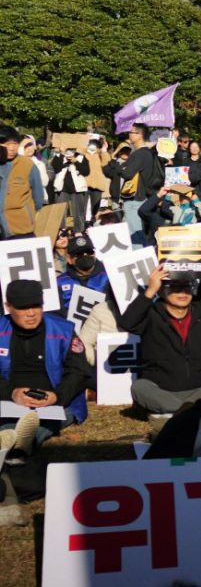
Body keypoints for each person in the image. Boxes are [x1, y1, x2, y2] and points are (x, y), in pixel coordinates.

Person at [119, 266, 201, 415]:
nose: (183, 293)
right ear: (161, 290)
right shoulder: (151, 313)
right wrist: (150, 290)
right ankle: (189, 410)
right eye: (175, 288)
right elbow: (127, 323)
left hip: (198, 390)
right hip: (160, 390)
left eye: (187, 287)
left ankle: (179, 411)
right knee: (139, 388)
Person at [0, 280, 89, 454]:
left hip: (56, 402)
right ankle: (19, 445)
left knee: (45, 421)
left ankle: (14, 442)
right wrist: (11, 393)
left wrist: (56, 396)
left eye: (36, 306)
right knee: (13, 419)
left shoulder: (63, 330)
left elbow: (78, 372)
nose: (31, 313)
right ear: (8, 306)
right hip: (9, 399)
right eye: (23, 308)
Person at [0, 125, 46, 238]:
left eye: (15, 144)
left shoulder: (27, 165)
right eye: (6, 144)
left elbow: (38, 199)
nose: (11, 148)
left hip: (21, 229)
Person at [54, 234, 109, 317]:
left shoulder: (109, 277)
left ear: (94, 254)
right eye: (79, 254)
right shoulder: (59, 282)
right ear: (69, 259)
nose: (85, 255)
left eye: (89, 252)